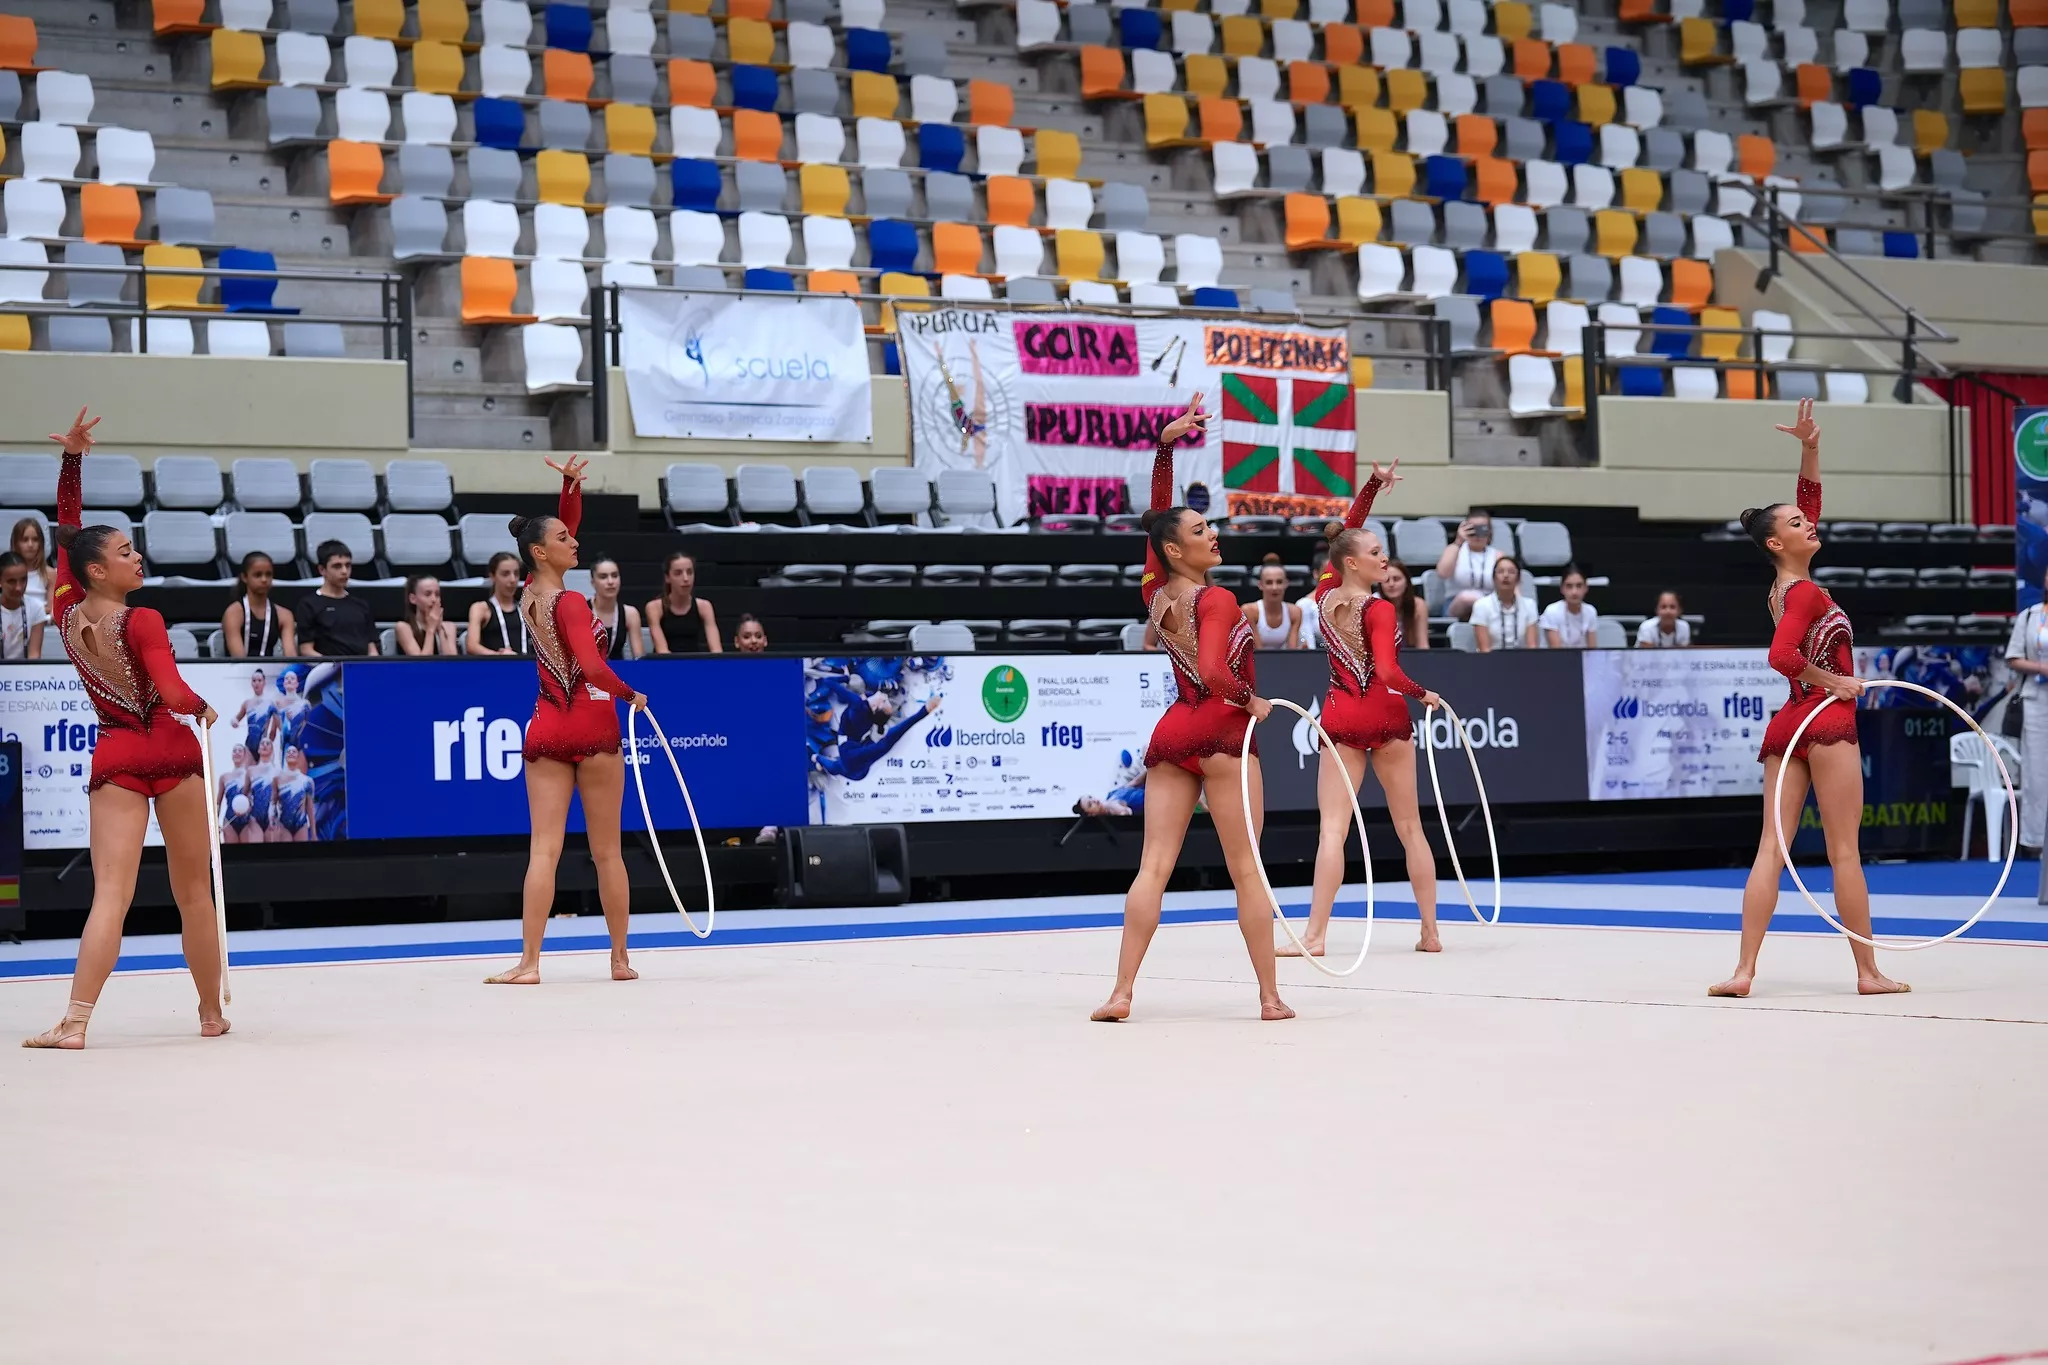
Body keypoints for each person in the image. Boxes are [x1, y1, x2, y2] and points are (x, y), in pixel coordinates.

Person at [23, 409, 227, 1049]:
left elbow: (66, 535)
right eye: (123, 552)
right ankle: (210, 1013)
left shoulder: (63, 611)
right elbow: (170, 691)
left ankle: (77, 1022)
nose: (136, 557)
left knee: (111, 894)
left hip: (116, 755)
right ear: (98, 571)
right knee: (195, 895)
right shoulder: (143, 620)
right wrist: (201, 704)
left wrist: (72, 463)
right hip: (171, 748)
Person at [1092, 394, 1292, 1023]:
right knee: (1247, 871)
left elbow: (1157, 520)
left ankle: (1122, 991)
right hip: (1225, 734)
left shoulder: (1154, 590)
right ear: (1178, 550)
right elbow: (1212, 671)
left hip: (1174, 732)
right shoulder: (1218, 601)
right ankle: (1269, 996)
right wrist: (1250, 699)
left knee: (1153, 867)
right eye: (1202, 530)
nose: (1214, 533)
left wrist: (1165, 446)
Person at [1711, 398, 1907, 999]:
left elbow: (1810, 507)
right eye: (1795, 524)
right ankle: (1868, 973)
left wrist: (1810, 449)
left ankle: (1744, 971)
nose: (1809, 524)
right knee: (1844, 852)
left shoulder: (1786, 583)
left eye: (1805, 519)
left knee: (1773, 846)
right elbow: (1781, 657)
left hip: (1788, 725)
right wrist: (1836, 683)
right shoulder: (1801, 595)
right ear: (1775, 543)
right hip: (1824, 719)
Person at [484, 455, 648, 987]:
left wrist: (569, 490)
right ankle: (619, 960)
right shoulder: (573, 601)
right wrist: (631, 694)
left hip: (547, 727)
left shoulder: (531, 592)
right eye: (563, 539)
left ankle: (529, 963)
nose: (574, 542)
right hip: (594, 728)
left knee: (544, 849)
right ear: (540, 551)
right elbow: (596, 667)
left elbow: (564, 529)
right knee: (607, 854)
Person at [1284, 461, 1447, 957]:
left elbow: (1345, 540)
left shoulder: (1322, 597)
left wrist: (1372, 488)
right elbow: (1392, 674)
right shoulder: (1378, 609)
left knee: (1332, 830)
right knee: (1410, 827)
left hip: (1342, 716)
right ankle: (1430, 932)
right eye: (1376, 553)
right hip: (1388, 715)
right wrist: (1426, 695)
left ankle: (1315, 936)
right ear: (1353, 563)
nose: (1385, 559)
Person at [2003, 575, 2048, 856]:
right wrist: (2043, 668)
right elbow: (2013, 657)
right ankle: (2036, 841)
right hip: (2037, 699)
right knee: (2037, 772)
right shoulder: (2030, 615)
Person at [295, 541, 379, 657]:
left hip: (361, 668)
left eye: (348, 565)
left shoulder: (361, 605)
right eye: (337, 566)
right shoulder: (308, 604)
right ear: (322, 570)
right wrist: (331, 666)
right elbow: (306, 649)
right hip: (327, 669)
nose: (344, 571)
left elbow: (372, 648)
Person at [221, 551, 295, 659]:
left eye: (268, 574)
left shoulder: (285, 615)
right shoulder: (234, 613)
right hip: (238, 674)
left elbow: (291, 657)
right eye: (257, 575)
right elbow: (238, 659)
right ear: (244, 577)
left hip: (270, 673)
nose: (264, 580)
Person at [1434, 508, 1503, 621]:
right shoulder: (1454, 549)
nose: (1477, 534)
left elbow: (1512, 585)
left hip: (1490, 605)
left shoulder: (1497, 555)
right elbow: (1442, 573)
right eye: (1472, 529)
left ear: (1490, 531)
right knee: (1467, 598)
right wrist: (1458, 541)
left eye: (1482, 529)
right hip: (1457, 604)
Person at [646, 551, 722, 654]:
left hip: (694, 664)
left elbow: (716, 651)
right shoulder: (654, 607)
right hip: (665, 666)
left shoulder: (704, 606)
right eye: (678, 573)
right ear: (667, 578)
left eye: (690, 572)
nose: (686, 579)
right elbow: (662, 651)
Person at [466, 552, 530, 657]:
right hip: (496, 668)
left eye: (516, 573)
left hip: (526, 668)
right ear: (493, 576)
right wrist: (498, 656)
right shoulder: (481, 608)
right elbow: (472, 646)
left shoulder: (526, 608)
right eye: (505, 574)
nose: (513, 579)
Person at [1470, 556, 1535, 652]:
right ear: (1493, 578)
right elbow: (1484, 649)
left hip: (1523, 661)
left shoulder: (1529, 605)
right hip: (1490, 661)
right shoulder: (1481, 605)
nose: (1506, 575)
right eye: (1500, 572)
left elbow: (1532, 647)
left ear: (1518, 579)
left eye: (1511, 572)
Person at [586, 556, 644, 660]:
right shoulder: (581, 610)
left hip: (618, 671)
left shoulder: (630, 613)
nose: (610, 582)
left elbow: (639, 657)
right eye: (603, 577)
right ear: (593, 582)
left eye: (614, 575)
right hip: (587, 673)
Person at [1242, 553, 1302, 649]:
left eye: (1279, 582)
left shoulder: (1295, 612)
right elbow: (1258, 653)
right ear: (1260, 585)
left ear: (1286, 584)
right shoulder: (1250, 611)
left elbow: (1292, 652)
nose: (1274, 587)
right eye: (1269, 582)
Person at [395, 573, 460, 656]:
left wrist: (440, 629)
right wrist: (431, 629)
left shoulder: (450, 627)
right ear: (413, 599)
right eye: (427, 594)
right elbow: (422, 665)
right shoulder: (403, 628)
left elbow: (452, 664)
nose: (434, 599)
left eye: (437, 594)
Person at [1540, 564, 1600, 649]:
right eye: (1569, 586)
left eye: (1579, 586)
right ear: (1562, 589)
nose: (1574, 592)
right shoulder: (1552, 611)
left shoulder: (1590, 611)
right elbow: (1556, 652)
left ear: (1586, 588)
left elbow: (1592, 650)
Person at [1376, 557, 1430, 650]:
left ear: (1406, 583)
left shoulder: (1418, 605)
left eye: (1396, 579)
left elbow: (1422, 645)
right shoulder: (1373, 604)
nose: (1391, 584)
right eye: (1386, 580)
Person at [1, 551, 45, 660]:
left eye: (23, 579)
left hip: (25, 674)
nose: (19, 587)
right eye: (11, 581)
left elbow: (34, 655)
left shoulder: (36, 608)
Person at [11, 515, 55, 622]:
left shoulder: (50, 573)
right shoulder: (8, 572)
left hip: (42, 623)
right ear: (16, 543)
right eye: (25, 540)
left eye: (35, 540)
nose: (30, 545)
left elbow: (52, 609)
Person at [270, 745, 315, 843]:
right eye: (288, 752)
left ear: (298, 757)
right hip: (283, 824)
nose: (291, 753)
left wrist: (314, 834)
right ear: (285, 757)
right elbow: (273, 803)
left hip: (301, 824)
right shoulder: (277, 779)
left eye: (294, 752)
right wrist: (272, 821)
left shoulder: (307, 781)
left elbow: (310, 809)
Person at [1296, 547, 1328, 651]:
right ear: (1316, 574)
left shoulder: (1345, 602)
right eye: (1326, 573)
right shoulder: (1304, 604)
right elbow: (1308, 642)